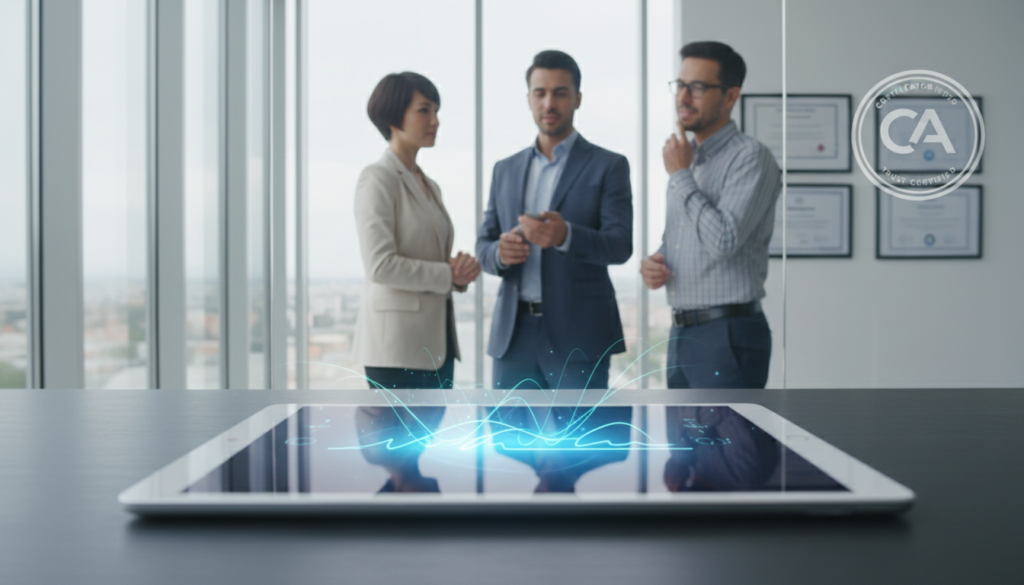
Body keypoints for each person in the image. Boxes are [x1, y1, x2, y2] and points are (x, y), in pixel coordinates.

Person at [476, 50, 633, 391]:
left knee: (582, 443)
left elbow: (620, 245)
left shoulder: (609, 165)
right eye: (540, 93)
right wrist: (501, 254)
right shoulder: (505, 169)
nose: (549, 102)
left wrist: (565, 236)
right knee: (511, 443)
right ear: (529, 98)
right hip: (513, 335)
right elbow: (483, 246)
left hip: (580, 334)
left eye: (560, 93)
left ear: (577, 98)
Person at [640, 41, 781, 389]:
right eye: (681, 85)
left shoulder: (751, 157)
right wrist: (658, 262)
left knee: (730, 445)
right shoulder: (688, 159)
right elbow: (687, 236)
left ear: (731, 96)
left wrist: (680, 176)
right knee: (684, 444)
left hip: (728, 334)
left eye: (698, 88)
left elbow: (724, 240)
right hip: (681, 333)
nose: (683, 97)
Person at [353, 72, 481, 390]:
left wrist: (458, 270)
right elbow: (381, 266)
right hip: (396, 350)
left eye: (436, 111)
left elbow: (428, 255)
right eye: (424, 110)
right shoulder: (378, 178)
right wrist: (446, 274)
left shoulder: (429, 184)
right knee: (390, 440)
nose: (435, 120)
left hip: (435, 347)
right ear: (394, 117)